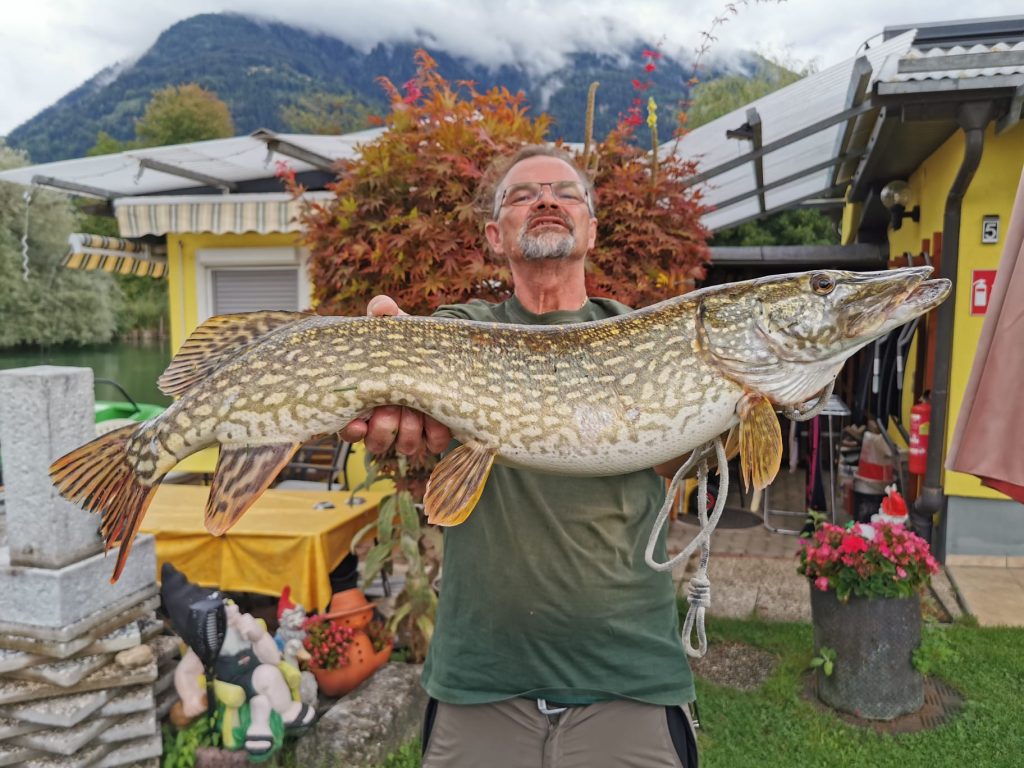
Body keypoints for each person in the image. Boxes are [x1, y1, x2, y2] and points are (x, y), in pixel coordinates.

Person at [340, 145, 698, 767]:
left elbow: (690, 467)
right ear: (494, 235)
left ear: (591, 226)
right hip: (480, 681)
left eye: (565, 192)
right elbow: (399, 385)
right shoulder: (459, 329)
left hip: (630, 679)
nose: (546, 200)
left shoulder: (646, 335)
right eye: (523, 195)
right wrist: (385, 344)